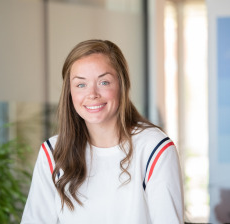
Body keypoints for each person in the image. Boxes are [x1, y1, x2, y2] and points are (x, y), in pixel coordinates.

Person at [21, 39, 184, 224]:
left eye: (104, 82)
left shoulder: (154, 149)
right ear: (69, 92)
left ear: (122, 86)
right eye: (81, 85)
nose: (92, 94)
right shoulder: (53, 152)